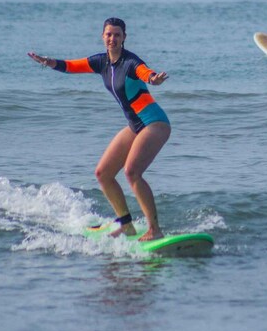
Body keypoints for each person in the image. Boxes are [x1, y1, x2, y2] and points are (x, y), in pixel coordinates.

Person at [28, 17, 170, 241]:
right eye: (109, 34)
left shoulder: (130, 62)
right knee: (103, 174)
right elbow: (71, 66)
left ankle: (155, 230)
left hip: (154, 123)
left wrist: (154, 79)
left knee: (132, 172)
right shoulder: (101, 62)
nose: (112, 38)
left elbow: (145, 72)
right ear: (103, 36)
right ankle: (126, 225)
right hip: (135, 126)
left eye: (117, 35)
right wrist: (48, 62)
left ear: (124, 38)